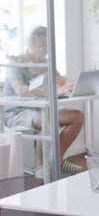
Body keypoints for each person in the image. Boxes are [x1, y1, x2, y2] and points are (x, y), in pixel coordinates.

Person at [3, 26, 84, 172]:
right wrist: (52, 90)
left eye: (48, 45)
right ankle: (43, 167)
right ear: (31, 44)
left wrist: (70, 87)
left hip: (41, 110)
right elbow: (22, 91)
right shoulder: (16, 63)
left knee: (77, 117)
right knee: (48, 120)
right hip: (18, 113)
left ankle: (56, 160)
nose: (47, 50)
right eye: (43, 46)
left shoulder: (46, 63)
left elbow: (62, 82)